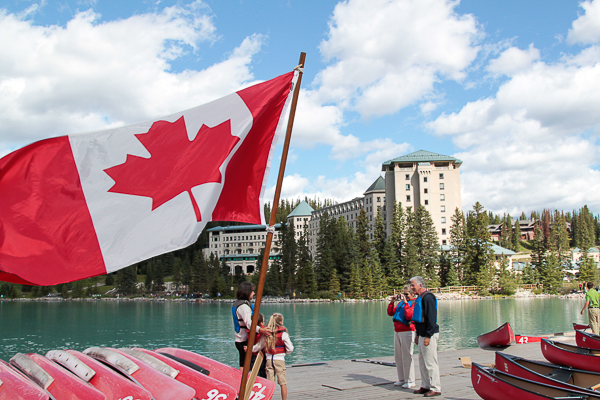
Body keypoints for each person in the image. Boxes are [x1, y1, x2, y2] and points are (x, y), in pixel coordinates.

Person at [410, 276, 441, 397]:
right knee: (422, 362)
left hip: (430, 334)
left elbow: (431, 318)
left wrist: (428, 335)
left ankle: (436, 387)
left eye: (413, 285)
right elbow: (419, 319)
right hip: (422, 334)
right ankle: (425, 385)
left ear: (420, 285)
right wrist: (418, 334)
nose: (412, 288)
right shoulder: (419, 298)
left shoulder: (428, 298)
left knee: (430, 362)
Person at [232, 282, 270, 370]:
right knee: (246, 365)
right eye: (252, 291)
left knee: (245, 364)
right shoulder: (244, 307)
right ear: (247, 292)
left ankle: (244, 381)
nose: (253, 293)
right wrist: (261, 330)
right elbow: (249, 324)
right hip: (244, 340)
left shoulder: (240, 304)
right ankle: (244, 382)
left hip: (241, 339)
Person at [387, 285, 416, 389]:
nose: (405, 296)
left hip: (408, 331)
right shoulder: (400, 303)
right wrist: (392, 302)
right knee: (398, 356)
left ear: (412, 294)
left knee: (407, 356)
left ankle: (410, 380)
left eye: (407, 294)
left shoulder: (413, 303)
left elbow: (409, 315)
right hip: (397, 331)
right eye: (404, 294)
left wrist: (406, 303)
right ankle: (402, 378)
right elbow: (390, 313)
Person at [265, 313, 294, 400]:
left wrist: (251, 349)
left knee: (270, 382)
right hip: (279, 359)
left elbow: (260, 345)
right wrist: (286, 353)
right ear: (281, 322)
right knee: (282, 382)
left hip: (269, 359)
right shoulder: (283, 334)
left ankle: (269, 399)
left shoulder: (267, 333)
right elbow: (290, 348)